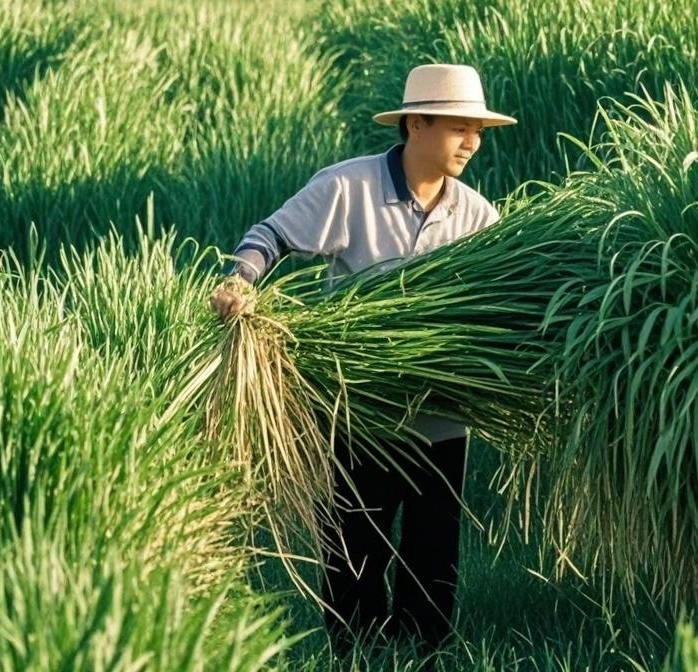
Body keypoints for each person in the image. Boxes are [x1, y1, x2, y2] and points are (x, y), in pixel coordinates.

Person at [210, 63, 516, 653]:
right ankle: (353, 654)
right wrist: (240, 282)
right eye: (459, 127)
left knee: (434, 552)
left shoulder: (478, 215)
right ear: (416, 123)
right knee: (355, 546)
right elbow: (271, 235)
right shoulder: (348, 187)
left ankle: (425, 656)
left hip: (442, 413)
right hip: (360, 409)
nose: (472, 142)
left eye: (479, 130)